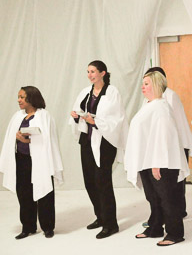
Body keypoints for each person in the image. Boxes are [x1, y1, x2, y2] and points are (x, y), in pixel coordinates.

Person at [124, 70, 189, 246]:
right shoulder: (149, 105)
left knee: (167, 198)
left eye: (146, 84)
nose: (142, 87)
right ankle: (155, 227)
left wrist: (157, 162)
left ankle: (175, 233)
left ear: (156, 85)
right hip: (147, 159)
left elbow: (163, 136)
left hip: (161, 162)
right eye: (143, 84)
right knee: (153, 197)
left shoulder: (161, 107)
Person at [70, 60, 127, 239]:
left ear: (103, 73)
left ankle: (111, 224)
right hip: (87, 141)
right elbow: (78, 112)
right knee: (90, 181)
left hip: (104, 143)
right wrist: (76, 116)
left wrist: (96, 122)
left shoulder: (112, 92)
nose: (90, 75)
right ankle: (100, 217)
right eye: (88, 71)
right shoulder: (85, 92)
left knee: (103, 182)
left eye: (93, 71)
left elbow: (117, 118)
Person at [0, 87, 64, 239]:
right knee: (24, 194)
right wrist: (17, 138)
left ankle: (48, 227)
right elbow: (10, 138)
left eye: (22, 97)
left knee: (45, 192)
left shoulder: (44, 116)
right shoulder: (18, 116)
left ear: (32, 98)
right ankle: (28, 227)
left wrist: (28, 140)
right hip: (21, 160)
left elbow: (48, 140)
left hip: (41, 160)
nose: (19, 100)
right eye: (18, 97)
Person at [145, 67, 192, 215]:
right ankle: (165, 213)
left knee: (177, 182)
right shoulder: (150, 97)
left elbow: (174, 122)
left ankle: (179, 211)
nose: (146, 85)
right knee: (163, 184)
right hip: (160, 144)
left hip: (177, 143)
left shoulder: (170, 95)